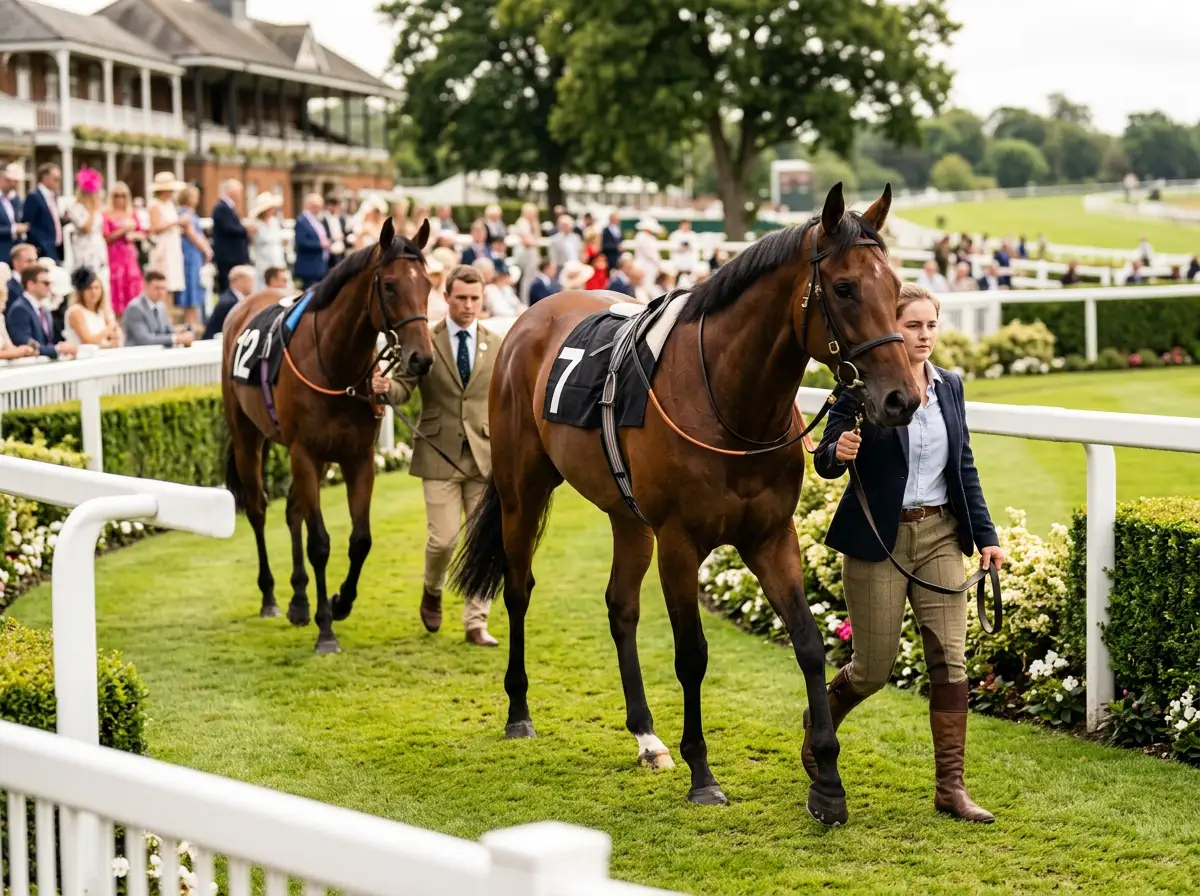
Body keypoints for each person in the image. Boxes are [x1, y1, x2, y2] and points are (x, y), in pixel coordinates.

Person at [807, 282, 1007, 824]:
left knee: (951, 661)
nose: (923, 336)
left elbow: (963, 464)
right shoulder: (858, 385)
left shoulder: (950, 387)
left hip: (941, 533)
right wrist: (836, 450)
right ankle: (819, 724)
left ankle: (952, 788)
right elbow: (826, 458)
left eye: (930, 325)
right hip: (878, 539)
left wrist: (986, 537)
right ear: (893, 328)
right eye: (913, 325)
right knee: (873, 669)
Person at [371, 264, 501, 648]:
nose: (468, 305)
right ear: (445, 298)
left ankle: (477, 622)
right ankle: (432, 589)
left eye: (475, 298)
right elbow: (403, 389)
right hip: (438, 452)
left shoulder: (496, 345)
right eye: (461, 298)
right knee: (443, 540)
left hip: (484, 455)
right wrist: (384, 387)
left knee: (484, 544)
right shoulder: (425, 339)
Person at [7, 264, 76, 358]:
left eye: (51, 283)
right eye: (46, 283)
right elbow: (26, 344)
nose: (50, 287)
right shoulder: (19, 309)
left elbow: (49, 341)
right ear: (31, 284)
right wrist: (58, 349)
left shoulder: (44, 309)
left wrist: (62, 346)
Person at [123, 269, 194, 348]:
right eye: (157, 288)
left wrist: (182, 332)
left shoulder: (161, 306)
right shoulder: (135, 308)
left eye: (163, 288)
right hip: (136, 354)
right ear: (146, 286)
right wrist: (176, 339)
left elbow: (168, 331)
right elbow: (144, 339)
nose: (161, 292)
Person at [204, 264, 256, 340]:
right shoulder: (229, 302)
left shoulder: (234, 298)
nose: (252, 285)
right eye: (250, 281)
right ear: (240, 281)